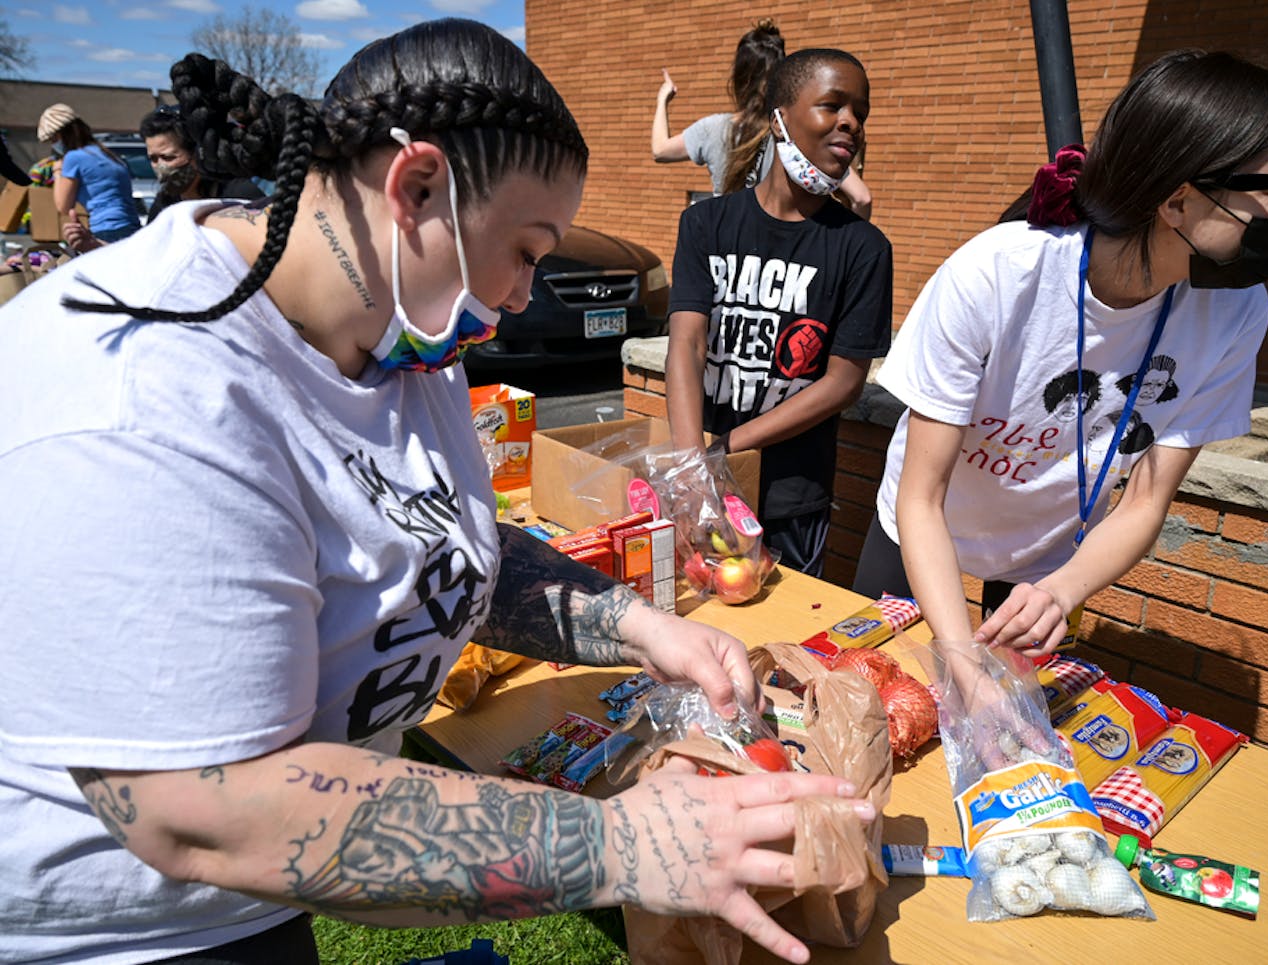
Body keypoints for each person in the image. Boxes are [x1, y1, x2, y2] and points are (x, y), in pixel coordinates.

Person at [0, 21, 874, 965]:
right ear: (416, 190)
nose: (522, 295)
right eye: (528, 250)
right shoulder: (145, 387)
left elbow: (438, 544)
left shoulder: (402, 322)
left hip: (252, 905)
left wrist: (639, 625)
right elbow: (202, 806)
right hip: (119, 936)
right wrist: (623, 845)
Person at [852, 49, 1268, 655]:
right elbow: (921, 499)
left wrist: (1060, 592)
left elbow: (1146, 500)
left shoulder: (1235, 310)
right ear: (1177, 202)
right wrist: (962, 660)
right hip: (923, 527)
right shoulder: (998, 273)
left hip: (1049, 557)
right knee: (882, 691)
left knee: (1010, 717)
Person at [666, 48, 894, 578]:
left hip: (793, 498)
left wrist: (726, 449)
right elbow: (687, 343)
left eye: (860, 112)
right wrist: (691, 472)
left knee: (778, 647)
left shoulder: (863, 248)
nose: (851, 123)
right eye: (832, 105)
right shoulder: (706, 225)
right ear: (779, 120)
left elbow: (842, 384)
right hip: (702, 483)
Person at [652, 19, 873, 218]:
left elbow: (660, 150)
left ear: (738, 77)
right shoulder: (792, 131)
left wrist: (663, 99)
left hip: (725, 245)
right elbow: (862, 198)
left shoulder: (713, 129)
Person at [61, 106, 268, 252]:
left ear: (198, 155)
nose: (161, 167)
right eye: (153, 159)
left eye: (169, 157)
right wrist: (93, 245)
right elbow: (144, 254)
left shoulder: (239, 196)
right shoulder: (165, 203)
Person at [36, 102, 141, 245]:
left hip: (106, 229)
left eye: (54, 139)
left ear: (66, 133)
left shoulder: (73, 158)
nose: (53, 145)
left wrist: (57, 170)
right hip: (131, 226)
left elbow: (63, 206)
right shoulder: (106, 154)